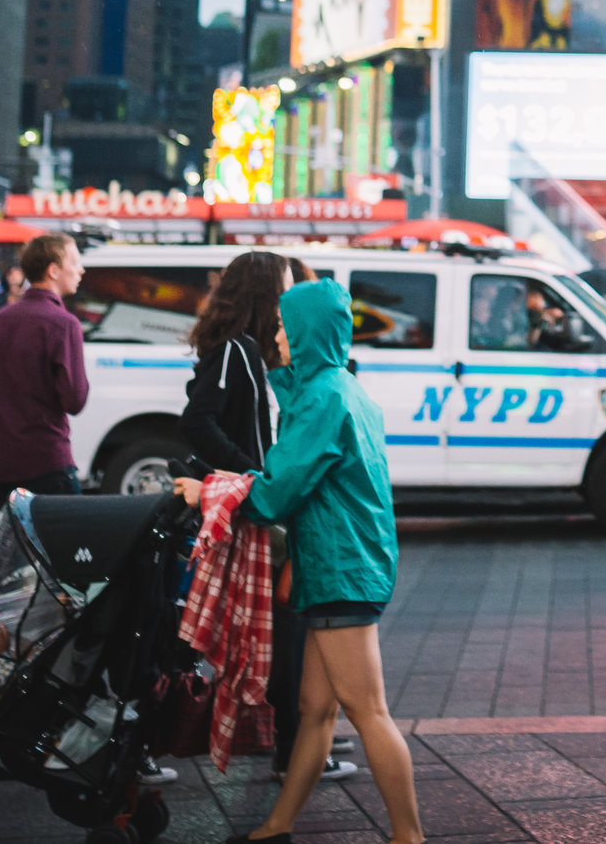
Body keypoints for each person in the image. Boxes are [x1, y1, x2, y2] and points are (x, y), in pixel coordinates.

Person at [181, 274, 421, 844]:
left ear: (311, 332)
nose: (278, 337)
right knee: (315, 710)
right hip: (343, 564)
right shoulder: (344, 388)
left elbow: (275, 493)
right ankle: (277, 824)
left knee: (368, 712)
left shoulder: (321, 398)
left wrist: (208, 490)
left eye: (287, 328)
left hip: (341, 568)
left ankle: (409, 837)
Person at [181, 252, 359, 785]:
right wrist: (249, 474)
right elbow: (198, 421)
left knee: (284, 627)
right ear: (264, 291)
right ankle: (294, 743)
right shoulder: (234, 350)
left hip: (260, 503)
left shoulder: (256, 353)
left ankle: (301, 735)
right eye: (284, 286)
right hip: (254, 507)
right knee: (288, 628)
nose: (289, 296)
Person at [0, 232, 91, 516]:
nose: (81, 270)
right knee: (73, 554)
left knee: (6, 557)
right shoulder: (64, 324)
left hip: (3, 467)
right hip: (49, 462)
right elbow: (75, 400)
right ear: (53, 270)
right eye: (75, 262)